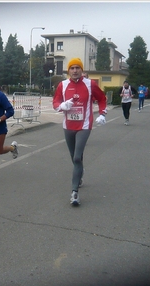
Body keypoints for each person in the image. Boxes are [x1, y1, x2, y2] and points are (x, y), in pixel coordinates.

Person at [52, 58, 107, 206]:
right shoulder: (62, 85)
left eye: (77, 68)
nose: (75, 70)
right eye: (72, 68)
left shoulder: (90, 84)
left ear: (82, 70)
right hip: (68, 126)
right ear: (68, 71)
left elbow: (102, 98)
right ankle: (79, 174)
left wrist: (102, 113)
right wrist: (62, 105)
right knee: (74, 156)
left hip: (84, 125)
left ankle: (74, 192)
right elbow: (55, 102)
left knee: (77, 157)